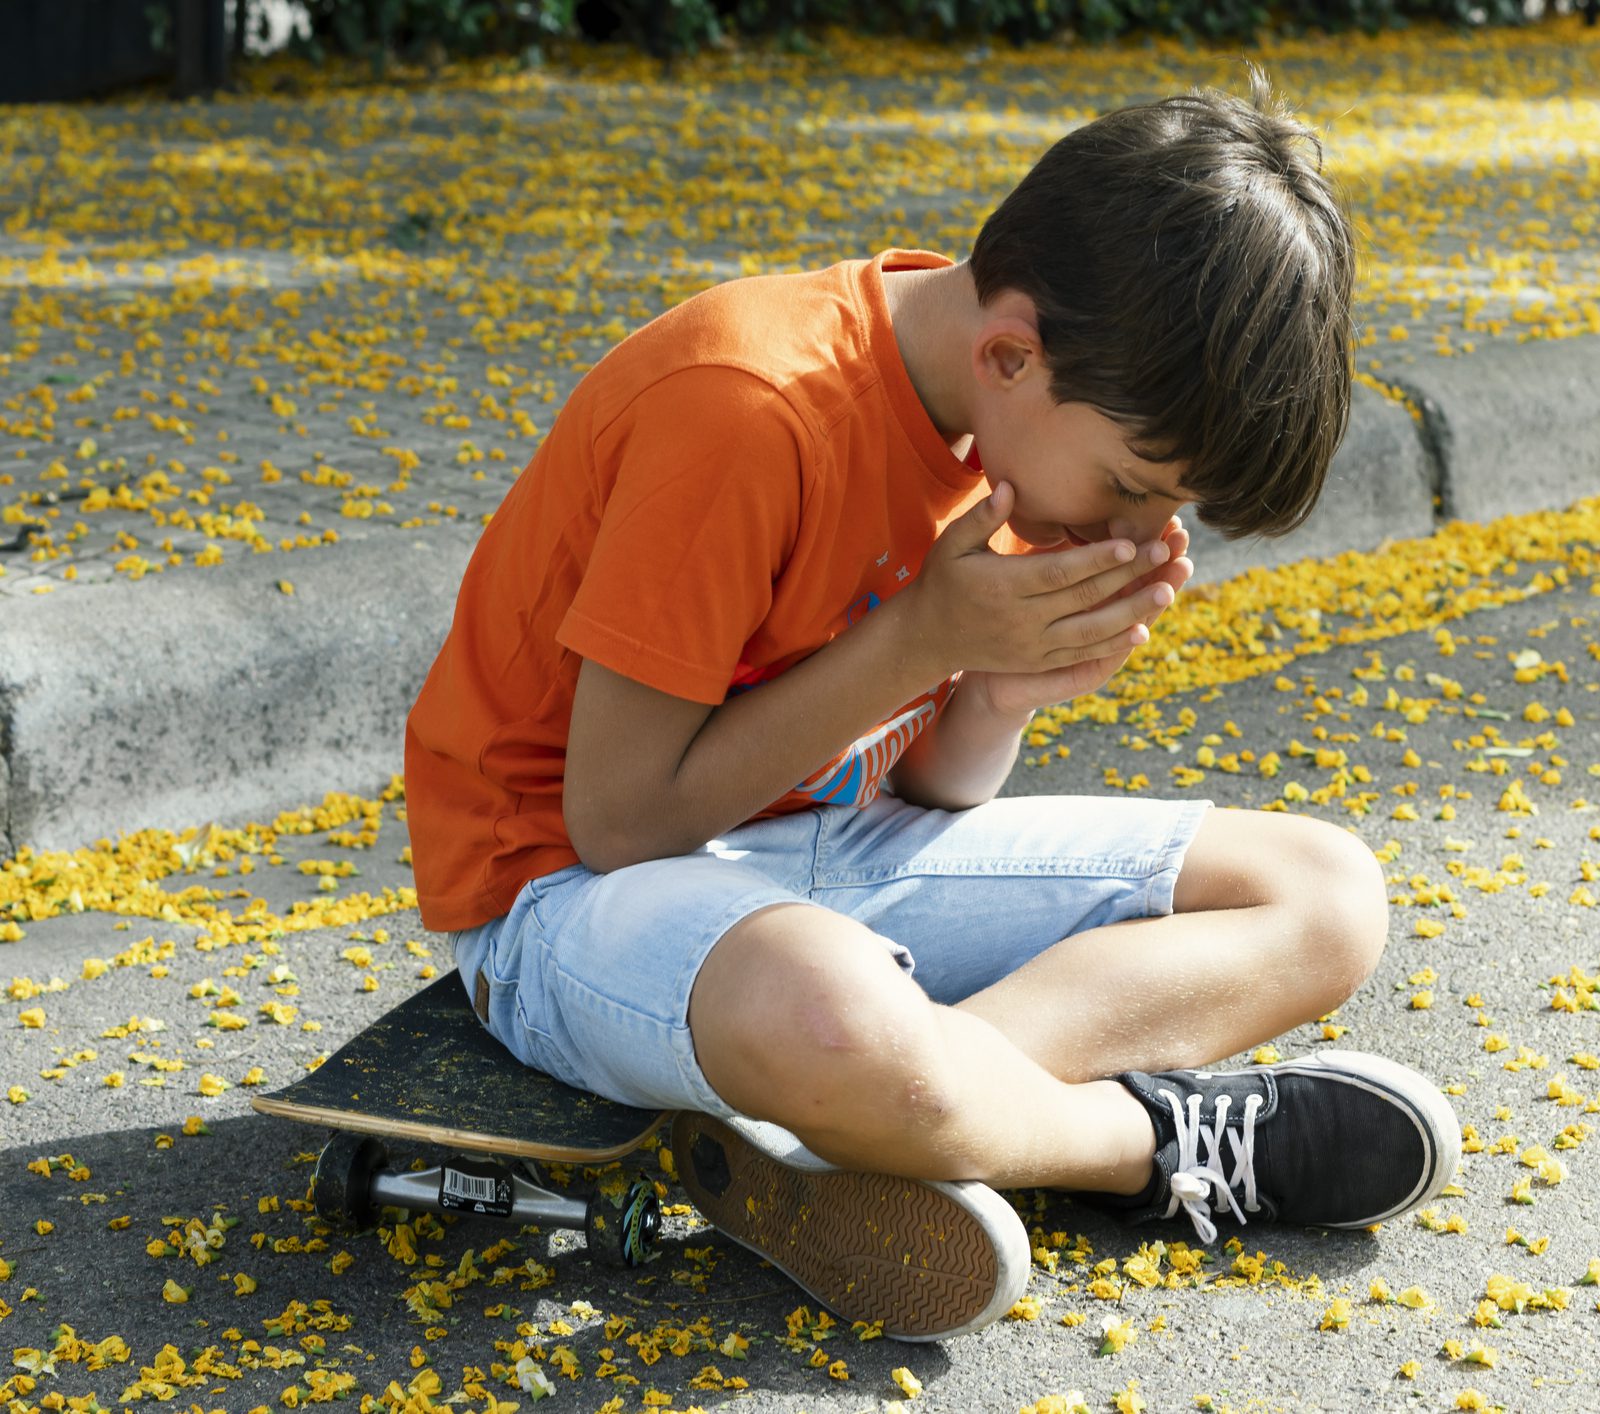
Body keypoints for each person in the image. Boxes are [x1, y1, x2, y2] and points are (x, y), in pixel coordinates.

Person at [402, 64, 1459, 1343]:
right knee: (833, 1009)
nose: (1138, 533)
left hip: (819, 871)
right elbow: (620, 821)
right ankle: (1138, 1141)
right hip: (563, 896)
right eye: (1133, 487)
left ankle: (899, 1114)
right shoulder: (748, 413)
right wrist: (923, 640)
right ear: (1011, 350)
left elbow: (915, 798)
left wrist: (998, 697)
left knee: (1324, 895)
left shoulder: (1002, 423)